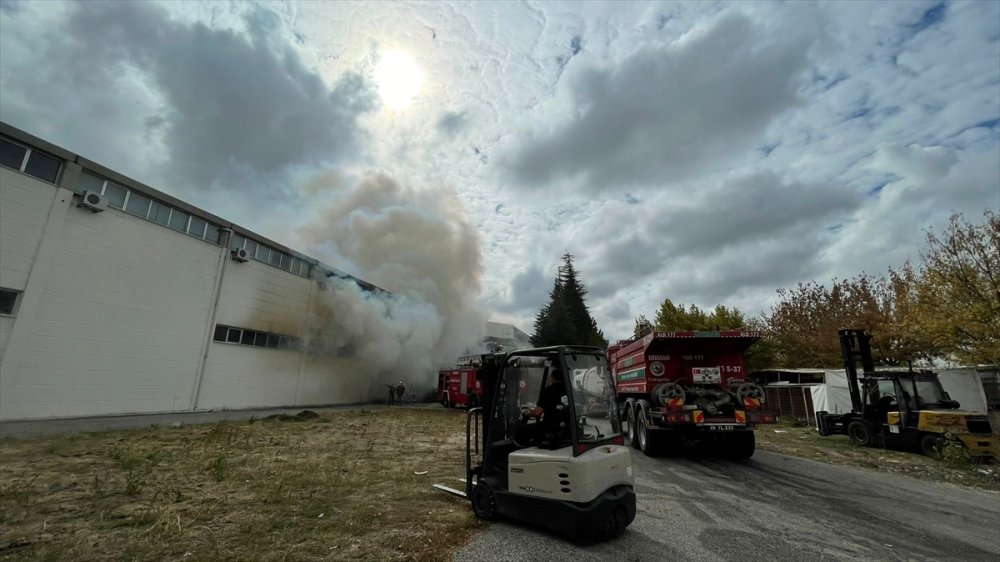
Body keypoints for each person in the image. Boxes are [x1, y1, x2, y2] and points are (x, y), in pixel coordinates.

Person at [528, 369, 569, 444]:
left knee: (522, 430)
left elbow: (538, 413)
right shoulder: (569, 389)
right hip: (567, 428)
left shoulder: (549, 390)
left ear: (553, 378)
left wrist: (528, 413)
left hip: (550, 427)